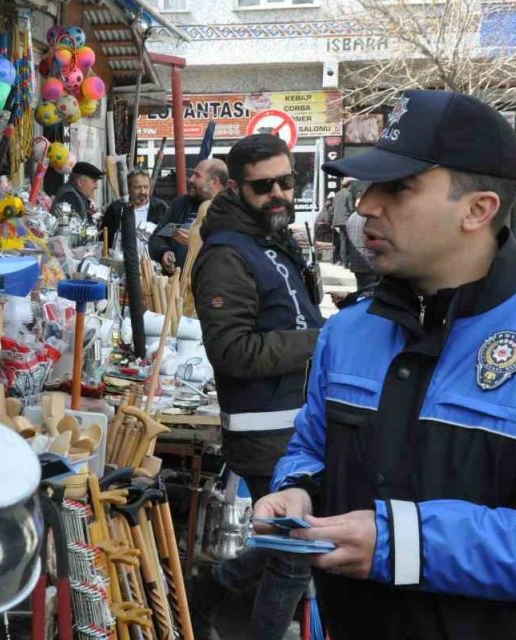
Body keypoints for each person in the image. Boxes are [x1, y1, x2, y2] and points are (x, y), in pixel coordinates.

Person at [255, 89, 516, 640]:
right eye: (370, 185)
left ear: (478, 209)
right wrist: (296, 488)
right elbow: (311, 450)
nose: (368, 204)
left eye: (398, 187)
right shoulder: (349, 331)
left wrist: (404, 542)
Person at [186, 134, 321, 640]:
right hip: (265, 433)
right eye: (264, 186)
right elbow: (233, 351)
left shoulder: (270, 239)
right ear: (237, 188)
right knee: (294, 552)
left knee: (288, 544)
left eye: (287, 181)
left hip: (299, 424)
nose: (279, 193)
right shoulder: (226, 255)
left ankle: (211, 588)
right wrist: (320, 341)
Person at [101, 170, 169, 356]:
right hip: (123, 267)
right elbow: (103, 238)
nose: (143, 191)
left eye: (146, 187)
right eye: (138, 187)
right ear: (129, 188)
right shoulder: (116, 209)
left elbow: (167, 238)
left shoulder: (161, 208)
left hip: (151, 270)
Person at [150, 158, 229, 274]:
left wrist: (196, 243)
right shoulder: (181, 204)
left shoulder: (229, 211)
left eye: (197, 176)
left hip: (210, 283)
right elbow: (157, 237)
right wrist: (164, 252)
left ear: (214, 181)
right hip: (176, 286)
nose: (191, 179)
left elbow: (231, 253)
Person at [330, 178, 356, 265]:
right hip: (346, 220)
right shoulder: (349, 194)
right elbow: (351, 208)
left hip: (338, 221)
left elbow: (333, 208)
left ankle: (344, 261)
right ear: (349, 185)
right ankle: (348, 261)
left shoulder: (336, 195)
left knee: (343, 241)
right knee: (350, 241)